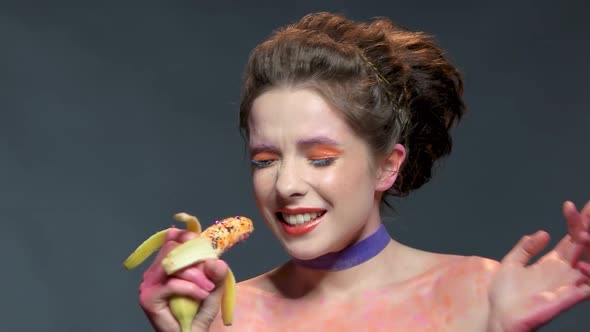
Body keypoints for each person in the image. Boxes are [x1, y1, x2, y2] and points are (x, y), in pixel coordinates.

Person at [137, 12, 590, 331]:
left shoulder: (479, 294)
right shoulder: (222, 316)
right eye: (265, 160)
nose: (287, 185)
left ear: (387, 167)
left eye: (320, 157)